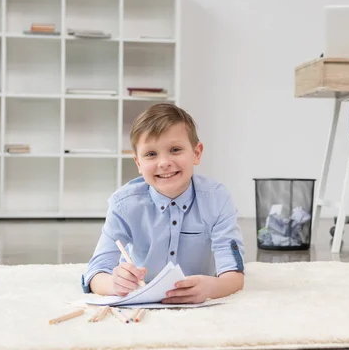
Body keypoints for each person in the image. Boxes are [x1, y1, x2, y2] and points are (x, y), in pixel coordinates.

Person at [81, 103, 245, 304]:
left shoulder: (217, 199)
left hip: (200, 293)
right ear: (138, 163)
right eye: (151, 154)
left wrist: (212, 287)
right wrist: (114, 284)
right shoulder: (123, 204)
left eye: (175, 150)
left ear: (197, 153)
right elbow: (95, 273)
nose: (164, 162)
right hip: (141, 292)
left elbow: (234, 275)